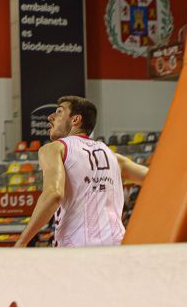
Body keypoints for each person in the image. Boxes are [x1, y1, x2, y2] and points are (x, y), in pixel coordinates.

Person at [14, 95, 149, 249]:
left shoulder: (56, 148)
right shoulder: (115, 158)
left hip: (77, 248)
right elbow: (155, 179)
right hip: (117, 244)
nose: (50, 117)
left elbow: (54, 194)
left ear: (75, 120)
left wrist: (22, 241)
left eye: (58, 112)